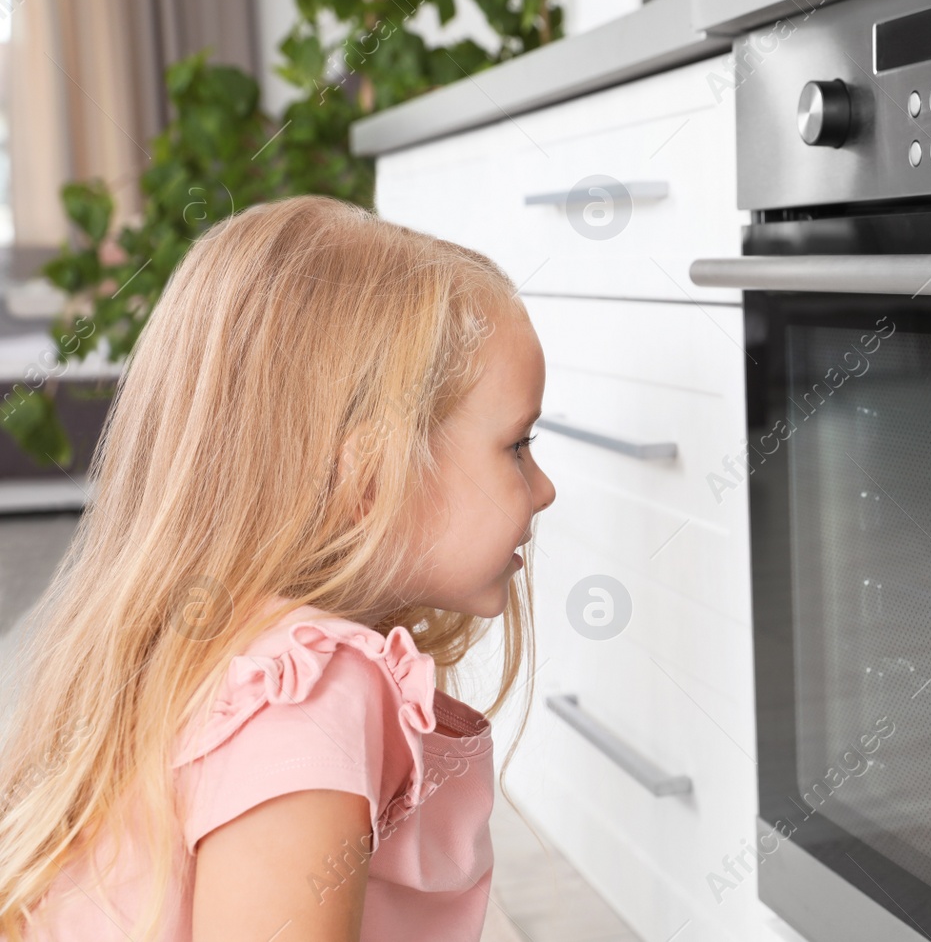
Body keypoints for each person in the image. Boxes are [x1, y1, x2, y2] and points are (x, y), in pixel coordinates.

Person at [0, 196, 557, 941]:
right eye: (517, 445)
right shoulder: (311, 696)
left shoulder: (214, 644)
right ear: (368, 480)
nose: (544, 487)